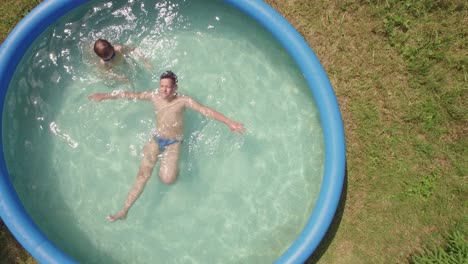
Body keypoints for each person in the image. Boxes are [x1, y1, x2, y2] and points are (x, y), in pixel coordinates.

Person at [88, 70, 245, 222]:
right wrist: (105, 96)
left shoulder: (183, 101)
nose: (164, 89)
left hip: (174, 143)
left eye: (168, 86)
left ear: (175, 88)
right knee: (143, 175)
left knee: (168, 179)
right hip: (156, 139)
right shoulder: (154, 96)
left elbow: (205, 110)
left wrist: (229, 122)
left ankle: (172, 170)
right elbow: (131, 95)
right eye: (162, 86)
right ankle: (124, 211)